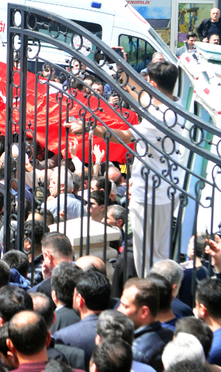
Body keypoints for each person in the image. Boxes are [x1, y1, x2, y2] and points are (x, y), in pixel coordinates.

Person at [66, 61, 183, 275]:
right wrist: (123, 76)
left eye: (147, 82)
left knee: (147, 256)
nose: (144, 87)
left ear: (154, 85)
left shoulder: (161, 117)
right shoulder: (174, 103)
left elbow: (126, 136)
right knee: (158, 250)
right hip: (164, 190)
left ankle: (152, 291)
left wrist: (90, 127)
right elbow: (144, 98)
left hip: (151, 196)